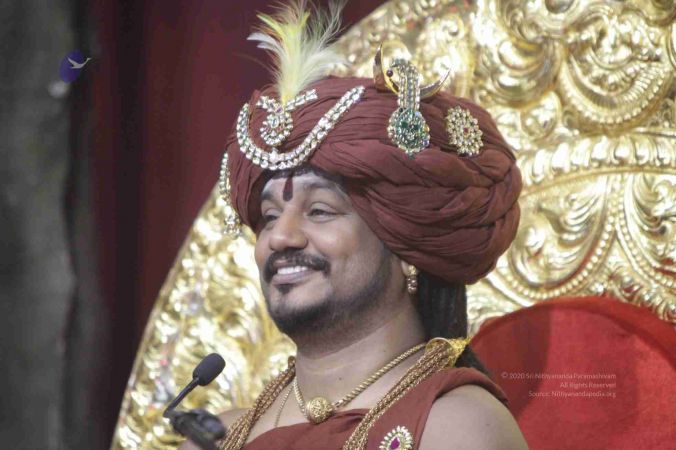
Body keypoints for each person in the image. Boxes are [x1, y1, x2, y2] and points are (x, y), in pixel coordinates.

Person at [180, 2, 527, 449]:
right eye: (269, 217)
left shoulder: (454, 426)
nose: (281, 237)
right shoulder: (216, 437)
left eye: (320, 210)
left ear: (404, 246)